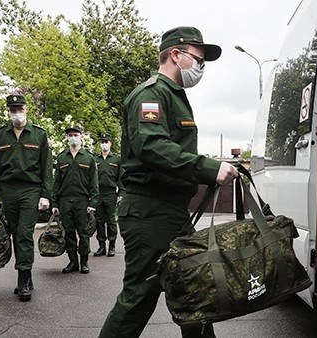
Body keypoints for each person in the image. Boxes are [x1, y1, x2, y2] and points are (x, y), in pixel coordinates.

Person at [98, 26, 239, 338]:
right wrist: (208, 168)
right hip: (150, 211)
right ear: (176, 55)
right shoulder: (150, 94)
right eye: (198, 59)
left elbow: (172, 149)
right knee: (140, 296)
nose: (201, 67)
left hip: (171, 211)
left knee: (194, 289)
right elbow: (152, 147)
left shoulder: (174, 96)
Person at [0, 94, 53, 302]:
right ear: (8, 111)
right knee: (15, 233)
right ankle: (28, 274)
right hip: (9, 190)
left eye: (20, 109)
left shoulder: (39, 135)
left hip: (30, 190)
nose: (17, 113)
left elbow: (46, 168)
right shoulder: (1, 136)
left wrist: (45, 195)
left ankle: (22, 281)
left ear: (27, 109)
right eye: (12, 110)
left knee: (24, 233)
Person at [51, 126, 99, 274]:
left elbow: (94, 182)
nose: (73, 137)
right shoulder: (61, 158)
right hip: (65, 200)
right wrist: (54, 203)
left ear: (81, 137)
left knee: (84, 232)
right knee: (69, 232)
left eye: (75, 134)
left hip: (82, 200)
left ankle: (84, 262)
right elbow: (56, 182)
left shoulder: (89, 157)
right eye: (70, 135)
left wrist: (93, 203)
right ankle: (73, 262)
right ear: (67, 138)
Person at [93, 133, 123, 257]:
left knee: (111, 221)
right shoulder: (95, 159)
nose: (104, 144)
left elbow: (121, 177)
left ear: (110, 143)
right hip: (98, 193)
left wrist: (121, 192)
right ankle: (101, 247)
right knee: (99, 220)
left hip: (111, 193)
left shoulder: (116, 159)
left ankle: (112, 246)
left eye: (106, 141)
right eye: (102, 142)